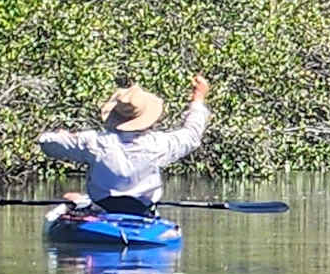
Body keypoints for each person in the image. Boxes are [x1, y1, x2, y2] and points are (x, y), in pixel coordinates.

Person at [40, 73, 212, 214]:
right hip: (141, 209)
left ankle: (83, 203)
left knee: (71, 197)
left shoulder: (93, 141)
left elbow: (45, 142)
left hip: (103, 207)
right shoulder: (160, 144)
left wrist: (63, 136)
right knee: (75, 197)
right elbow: (191, 135)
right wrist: (198, 99)